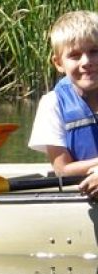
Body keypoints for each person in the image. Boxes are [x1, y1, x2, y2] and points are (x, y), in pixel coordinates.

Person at [28, 10, 98, 197]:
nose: (87, 62)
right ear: (59, 63)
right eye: (75, 55)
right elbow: (62, 169)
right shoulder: (53, 104)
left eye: (94, 51)